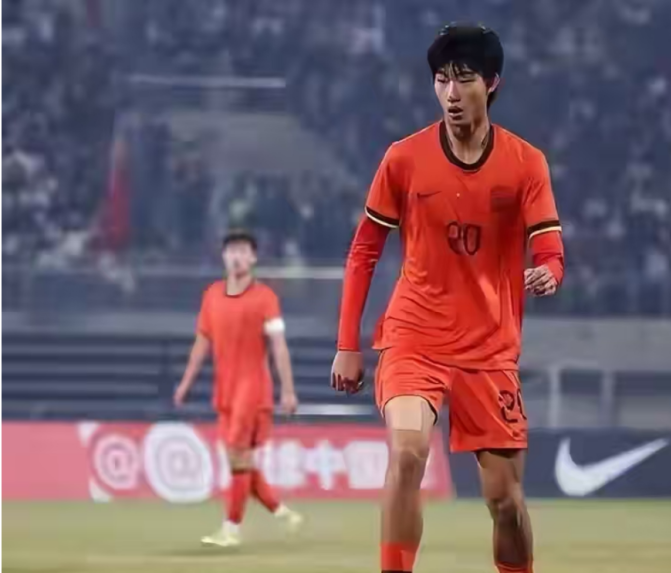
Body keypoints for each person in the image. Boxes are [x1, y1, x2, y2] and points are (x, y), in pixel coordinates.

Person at [331, 24, 564, 573]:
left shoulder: (526, 163)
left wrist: (550, 272)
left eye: (464, 79)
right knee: (408, 452)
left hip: (490, 349)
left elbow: (550, 248)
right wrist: (347, 344)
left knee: (505, 501)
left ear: (493, 83)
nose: (451, 93)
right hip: (414, 338)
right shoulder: (404, 159)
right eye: (441, 80)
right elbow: (364, 251)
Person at [174, 229, 302, 547]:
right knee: (238, 461)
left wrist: (288, 389)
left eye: (243, 251)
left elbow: (279, 346)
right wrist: (186, 382)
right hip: (225, 391)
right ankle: (282, 512)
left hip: (252, 389)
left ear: (253, 258)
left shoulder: (265, 297)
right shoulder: (212, 295)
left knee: (237, 454)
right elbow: (202, 342)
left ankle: (231, 529)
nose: (237, 257)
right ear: (223, 256)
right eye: (232, 250)